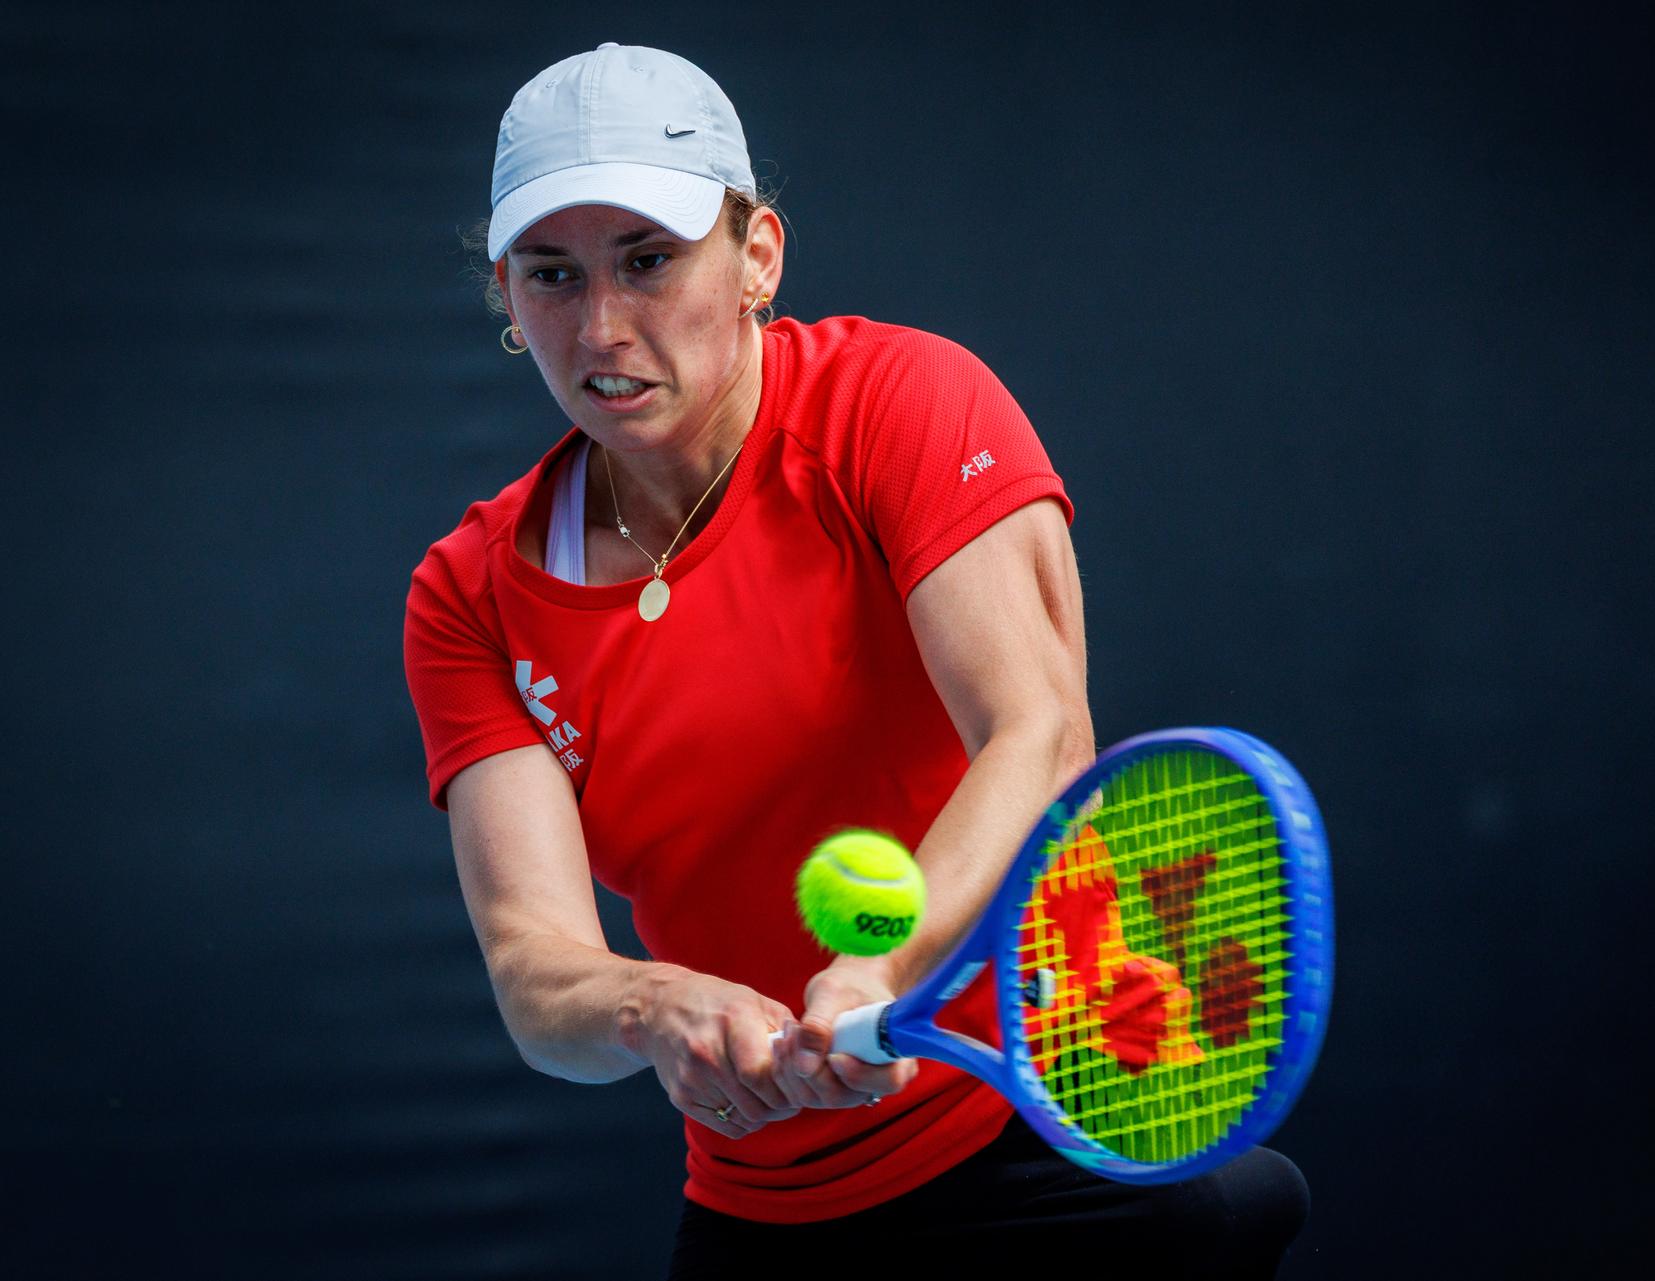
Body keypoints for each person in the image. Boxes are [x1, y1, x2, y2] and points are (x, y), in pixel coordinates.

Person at [403, 42, 1308, 1277]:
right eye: (553, 275)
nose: (602, 324)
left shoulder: (901, 403)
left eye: (649, 260)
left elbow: (1037, 733)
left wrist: (878, 966)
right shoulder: (469, 596)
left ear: (757, 258)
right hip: (764, 1205)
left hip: (1051, 1126)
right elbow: (535, 970)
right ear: (507, 297)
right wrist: (656, 1005)